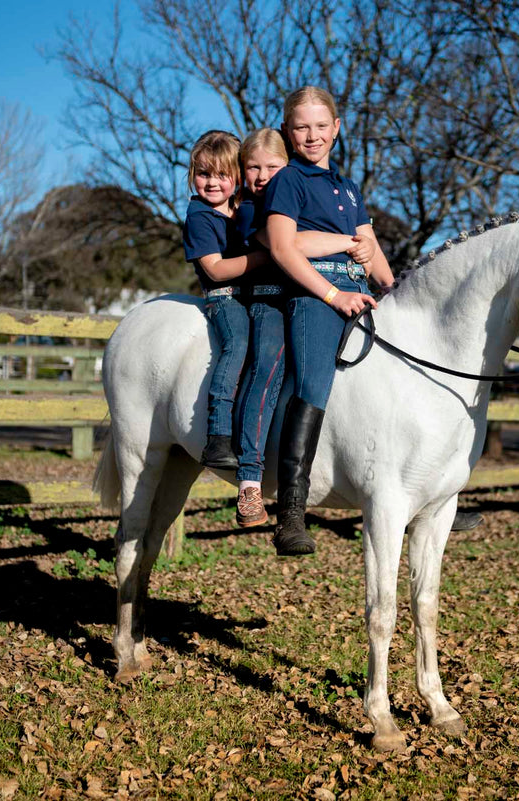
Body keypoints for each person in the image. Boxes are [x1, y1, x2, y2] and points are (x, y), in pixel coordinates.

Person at [261, 87, 395, 555]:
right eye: (302, 127)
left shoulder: (347, 188)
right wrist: (333, 295)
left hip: (359, 295)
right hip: (314, 298)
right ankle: (291, 515)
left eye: (321, 126)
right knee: (312, 384)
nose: (312, 135)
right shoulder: (288, 182)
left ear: (337, 128)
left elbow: (371, 250)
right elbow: (281, 248)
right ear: (287, 132)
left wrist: (398, 295)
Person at [230, 128, 375, 527]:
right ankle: (250, 479)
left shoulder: (309, 193)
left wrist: (366, 253)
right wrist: (348, 242)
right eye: (253, 167)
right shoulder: (249, 210)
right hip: (269, 301)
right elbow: (292, 245)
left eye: (272, 166)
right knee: (269, 367)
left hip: (298, 293)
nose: (263, 176)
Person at [181, 130, 265, 471]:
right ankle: (217, 433)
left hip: (255, 296)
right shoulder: (199, 217)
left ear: (237, 177)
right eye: (203, 174)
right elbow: (215, 269)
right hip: (224, 297)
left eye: (222, 175)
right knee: (238, 344)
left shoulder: (245, 208)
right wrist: (271, 256)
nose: (212, 183)